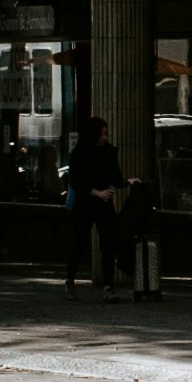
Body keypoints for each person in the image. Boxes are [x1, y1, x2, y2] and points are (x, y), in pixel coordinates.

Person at [62, 107, 128, 296]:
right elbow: (75, 181)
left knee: (108, 244)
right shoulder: (81, 153)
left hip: (101, 202)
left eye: (105, 134)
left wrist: (126, 182)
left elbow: (115, 177)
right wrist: (97, 192)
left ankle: (108, 284)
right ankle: (70, 279)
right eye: (101, 134)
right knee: (79, 243)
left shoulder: (108, 152)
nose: (103, 138)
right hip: (85, 203)